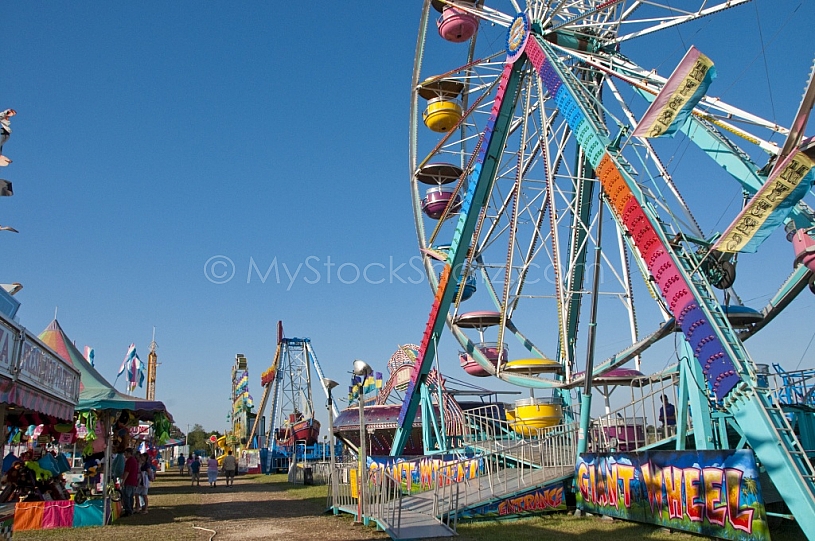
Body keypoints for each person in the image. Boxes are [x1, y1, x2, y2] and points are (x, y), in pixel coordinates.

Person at [121, 448, 140, 517]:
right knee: (131, 496)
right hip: (133, 481)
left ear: (129, 453)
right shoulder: (134, 460)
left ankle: (128, 510)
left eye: (125, 453)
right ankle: (130, 509)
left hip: (129, 481)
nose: (124, 454)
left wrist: (123, 480)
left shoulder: (129, 461)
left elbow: (127, 471)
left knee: (127, 496)